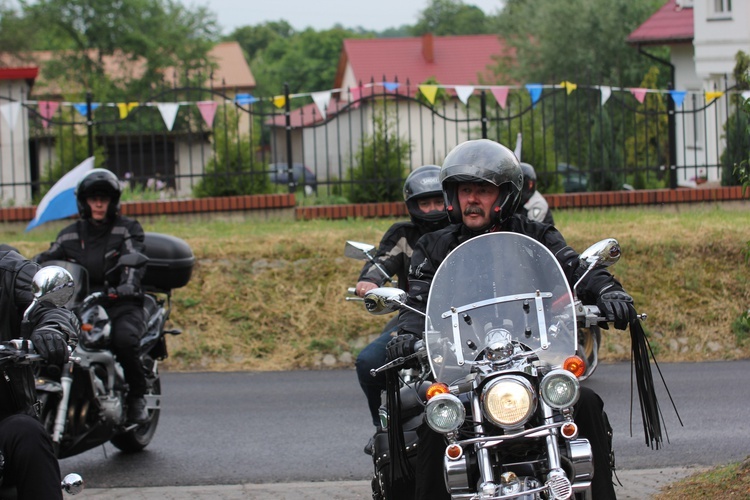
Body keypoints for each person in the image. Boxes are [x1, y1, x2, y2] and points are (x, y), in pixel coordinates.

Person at [389, 139, 637, 500]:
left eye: (483, 191)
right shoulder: (434, 247)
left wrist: (608, 292)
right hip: (464, 370)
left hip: (533, 361)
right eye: (465, 191)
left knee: (586, 404)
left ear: (504, 195)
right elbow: (417, 304)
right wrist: (406, 335)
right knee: (435, 428)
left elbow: (575, 269)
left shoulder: (535, 235)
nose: (472, 199)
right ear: (452, 197)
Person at [34, 168, 149, 424]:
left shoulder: (127, 229)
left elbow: (133, 263)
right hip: (79, 302)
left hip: (118, 301)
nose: (98, 203)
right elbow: (47, 259)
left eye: (104, 197)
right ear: (84, 201)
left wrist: (125, 286)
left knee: (124, 340)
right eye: (93, 197)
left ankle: (137, 397)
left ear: (112, 201)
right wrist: (28, 273)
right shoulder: (69, 234)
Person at [353, 165, 449, 454]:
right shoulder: (404, 234)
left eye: (438, 201)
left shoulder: (462, 230)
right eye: (425, 202)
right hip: (416, 316)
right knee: (369, 362)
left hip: (465, 317)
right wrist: (370, 280)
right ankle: (382, 429)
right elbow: (383, 261)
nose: (432, 209)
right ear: (412, 205)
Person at [0, 247, 78, 499]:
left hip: (5, 416)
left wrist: (53, 329)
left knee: (27, 433)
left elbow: (52, 307)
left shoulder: (10, 271)